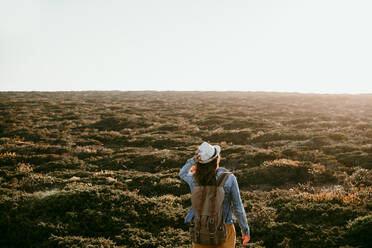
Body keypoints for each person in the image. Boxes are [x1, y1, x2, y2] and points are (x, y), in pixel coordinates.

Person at [179, 142, 250, 248]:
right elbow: (238, 208)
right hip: (225, 229)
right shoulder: (229, 178)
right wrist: (245, 229)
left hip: (200, 229)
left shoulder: (194, 179)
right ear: (217, 159)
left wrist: (193, 160)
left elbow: (182, 173)